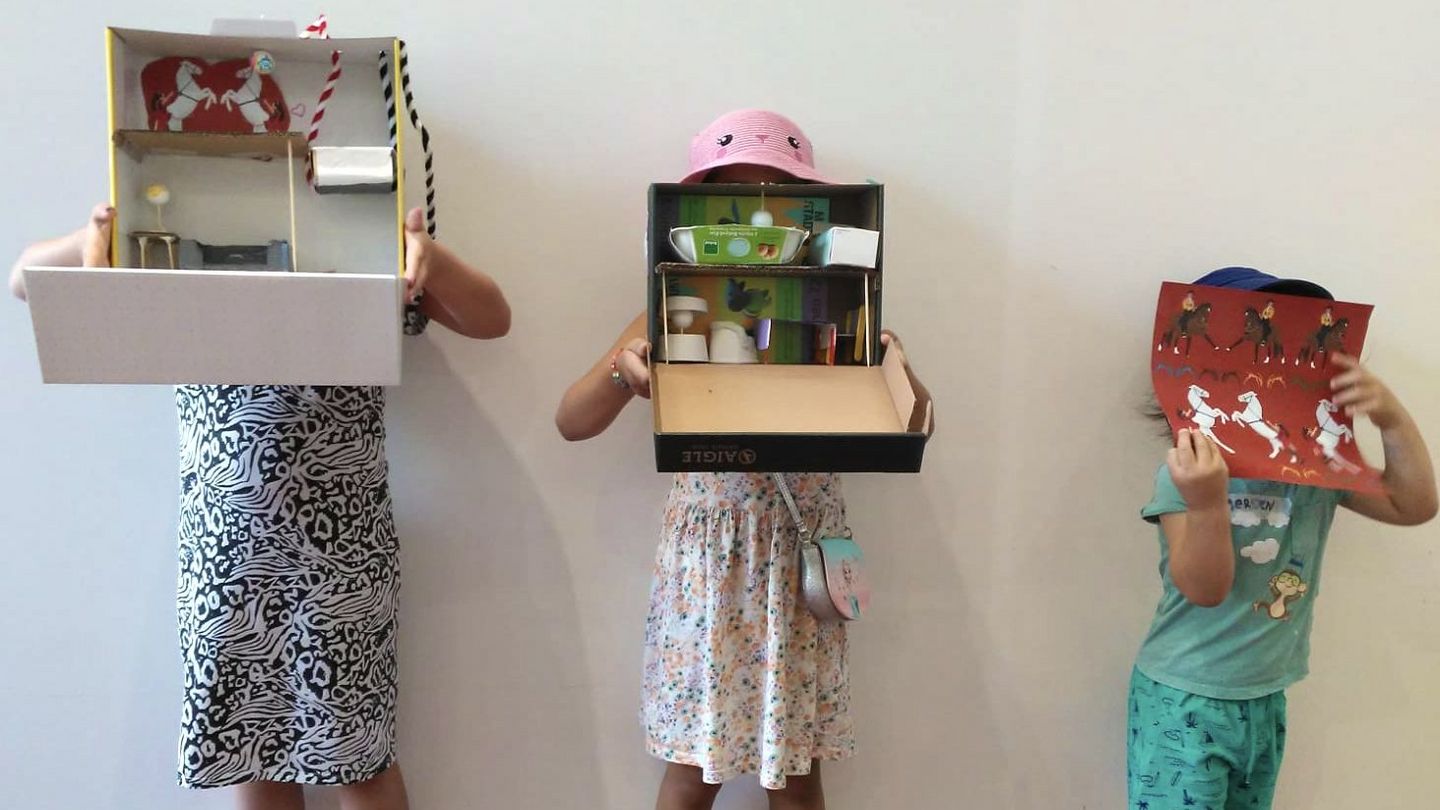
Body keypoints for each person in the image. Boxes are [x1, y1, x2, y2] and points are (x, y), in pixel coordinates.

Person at [10, 204, 511, 810]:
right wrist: (98, 233)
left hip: (342, 553)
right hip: (226, 546)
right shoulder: (183, 230)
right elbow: (24, 277)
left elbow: (491, 317)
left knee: (360, 760)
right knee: (252, 751)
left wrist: (424, 254)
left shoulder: (354, 234)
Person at [556, 109, 912, 810]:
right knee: (696, 763)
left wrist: (892, 364)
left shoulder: (839, 302)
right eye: (735, 201)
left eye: (776, 199)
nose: (757, 225)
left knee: (799, 766)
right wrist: (623, 373)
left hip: (804, 559)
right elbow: (572, 420)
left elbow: (898, 412)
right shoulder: (670, 307)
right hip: (713, 562)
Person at [1128, 266, 1436, 810]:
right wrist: (1204, 501)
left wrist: (1391, 418)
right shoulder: (1186, 472)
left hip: (1265, 697)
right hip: (1186, 696)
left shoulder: (1317, 467)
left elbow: (1412, 505)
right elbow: (1203, 588)